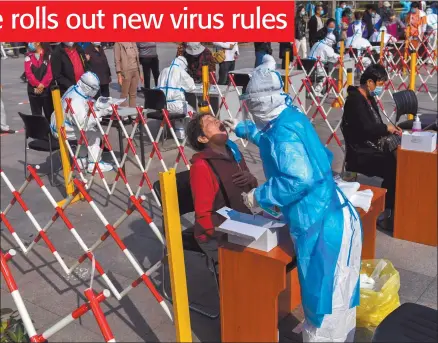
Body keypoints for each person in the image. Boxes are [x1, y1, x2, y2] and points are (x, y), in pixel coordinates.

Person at [225, 59, 362, 342]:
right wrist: (244, 130)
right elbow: (310, 154)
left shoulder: (282, 132)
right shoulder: (293, 117)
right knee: (341, 293)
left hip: (320, 226)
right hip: (337, 213)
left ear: (260, 105)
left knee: (323, 302)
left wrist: (259, 195)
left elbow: (298, 178)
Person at [187, 113, 258, 263]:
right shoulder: (201, 167)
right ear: (203, 138)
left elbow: (251, 189)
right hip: (218, 234)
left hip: (243, 222)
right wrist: (230, 236)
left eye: (216, 118)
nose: (217, 121)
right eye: (210, 122)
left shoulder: (234, 153)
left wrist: (251, 179)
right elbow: (203, 215)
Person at [341, 64, 401, 229]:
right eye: (380, 84)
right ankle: (386, 211)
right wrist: (386, 128)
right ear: (369, 82)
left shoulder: (369, 98)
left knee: (400, 157)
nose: (381, 88)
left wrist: (390, 130)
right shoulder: (355, 101)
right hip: (361, 152)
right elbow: (367, 129)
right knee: (393, 165)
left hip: (372, 145)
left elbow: (376, 126)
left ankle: (399, 205)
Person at [50, 71, 116, 173]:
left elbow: (85, 101)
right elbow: (83, 124)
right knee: (93, 133)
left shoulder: (74, 89)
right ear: (88, 87)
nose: (95, 92)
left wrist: (96, 104)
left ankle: (82, 160)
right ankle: (95, 164)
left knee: (86, 133)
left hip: (60, 124)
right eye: (94, 89)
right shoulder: (76, 100)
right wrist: (101, 113)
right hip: (62, 129)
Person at [156, 56, 196, 140]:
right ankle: (184, 135)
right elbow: (191, 87)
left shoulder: (163, 71)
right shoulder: (181, 71)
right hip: (176, 106)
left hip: (162, 106)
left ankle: (176, 134)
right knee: (192, 111)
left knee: (182, 109)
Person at [24, 42, 54, 121]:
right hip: (33, 91)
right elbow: (28, 73)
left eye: (31, 41)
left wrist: (43, 85)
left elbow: (49, 73)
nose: (29, 43)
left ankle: (51, 132)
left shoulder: (48, 56)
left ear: (38, 43)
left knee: (49, 114)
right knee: (36, 115)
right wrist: (37, 84)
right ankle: (39, 132)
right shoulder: (28, 57)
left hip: (46, 90)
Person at [308, 33, 340, 97]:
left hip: (307, 66)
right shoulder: (326, 47)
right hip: (317, 66)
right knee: (325, 77)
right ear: (331, 41)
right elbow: (333, 57)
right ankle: (316, 91)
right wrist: (341, 56)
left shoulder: (316, 43)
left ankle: (310, 91)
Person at [114, 42, 143, 107]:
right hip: (125, 71)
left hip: (135, 70)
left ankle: (132, 113)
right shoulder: (118, 43)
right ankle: (123, 114)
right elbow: (117, 60)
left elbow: (137, 59)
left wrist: (140, 73)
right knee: (124, 95)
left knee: (133, 94)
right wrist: (119, 75)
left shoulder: (133, 42)